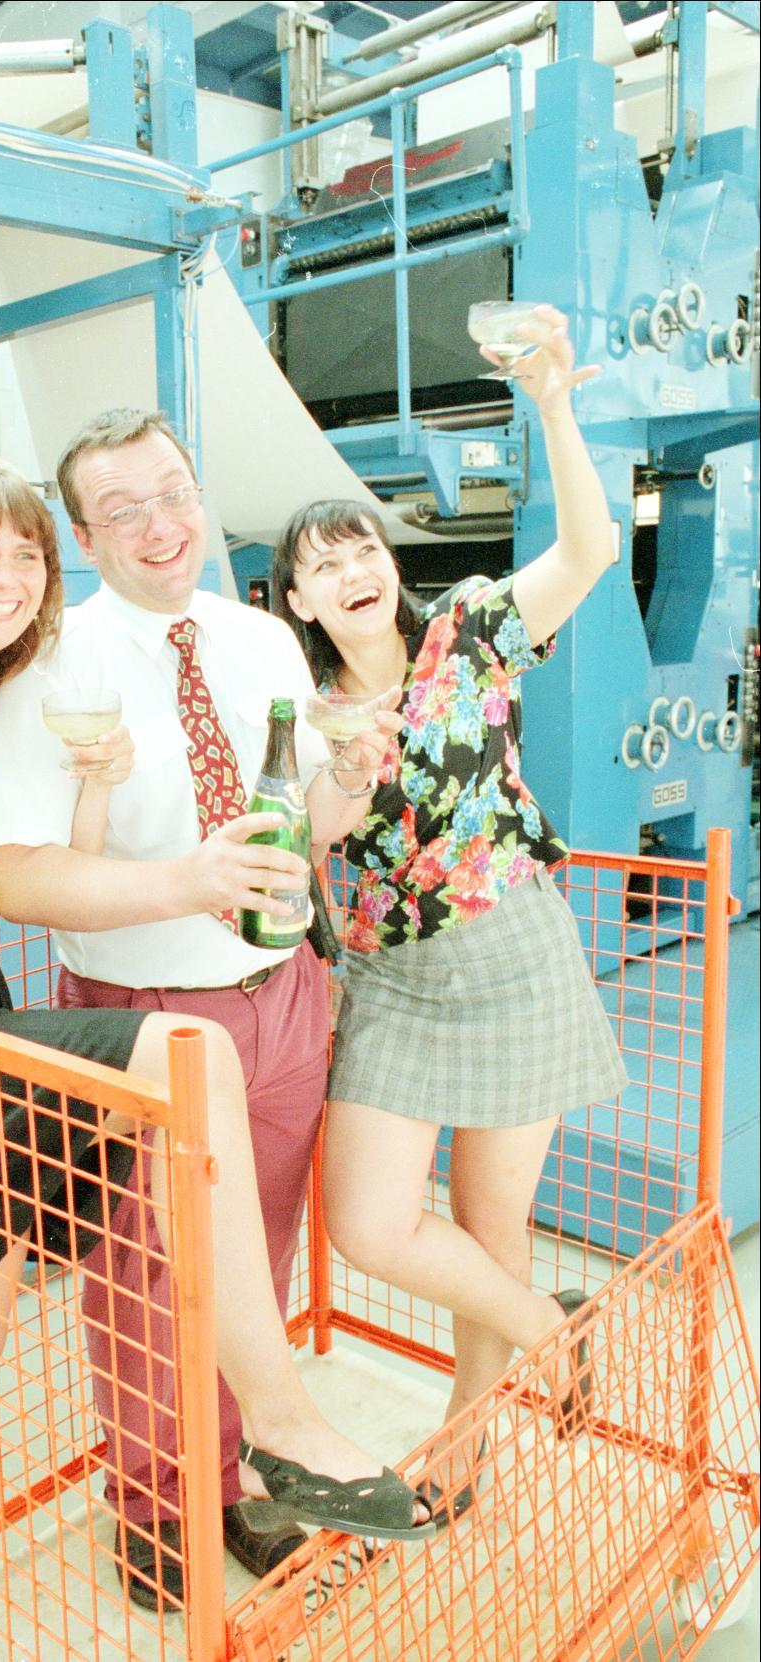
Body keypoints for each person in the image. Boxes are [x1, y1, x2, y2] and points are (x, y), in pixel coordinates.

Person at [0, 463, 430, 1662]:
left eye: (24, 556)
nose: (5, 576)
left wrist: (93, 795)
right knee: (183, 1055)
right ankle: (279, 1421)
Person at [0, 409, 431, 1610]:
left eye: (172, 491)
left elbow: (308, 829)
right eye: (120, 508)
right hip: (145, 1015)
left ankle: (238, 1472)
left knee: (255, 1256)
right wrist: (184, 882)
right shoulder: (47, 666)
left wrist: (351, 778)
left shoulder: (260, 640)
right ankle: (154, 1504)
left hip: (283, 994)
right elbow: (16, 877)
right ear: (82, 537)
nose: (159, 524)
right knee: (143, 1274)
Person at [270, 306, 629, 1526]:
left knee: (486, 1222)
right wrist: (345, 766)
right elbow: (309, 834)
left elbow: (587, 551)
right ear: (299, 600)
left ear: (386, 559)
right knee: (370, 1224)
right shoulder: (305, 710)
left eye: (359, 545)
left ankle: (462, 1451)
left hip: (513, 953)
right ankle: (548, 1331)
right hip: (394, 982)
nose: (349, 569)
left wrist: (553, 407)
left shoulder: (467, 632)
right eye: (320, 564)